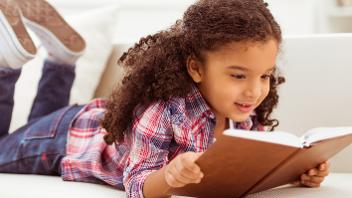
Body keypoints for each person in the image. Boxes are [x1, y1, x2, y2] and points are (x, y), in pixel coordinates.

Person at [0, 0, 330, 197]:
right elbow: (137, 185)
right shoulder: (164, 113)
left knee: (33, 124)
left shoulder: (243, 115)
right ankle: (9, 64)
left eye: (264, 76)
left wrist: (296, 172)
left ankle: (61, 59)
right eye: (238, 75)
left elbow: (249, 172)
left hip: (78, 121)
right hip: (68, 138)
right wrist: (169, 177)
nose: (255, 91)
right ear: (196, 68)